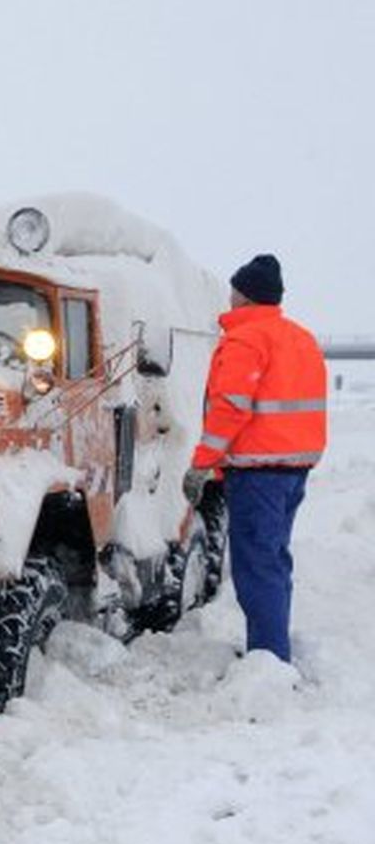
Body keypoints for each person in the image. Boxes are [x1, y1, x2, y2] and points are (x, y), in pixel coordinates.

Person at [183, 253, 327, 662]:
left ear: (243, 296)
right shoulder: (300, 338)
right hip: (293, 469)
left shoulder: (246, 339)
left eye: (233, 291)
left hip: (258, 471)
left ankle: (269, 659)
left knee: (257, 567)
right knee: (274, 562)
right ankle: (271, 649)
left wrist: (202, 461)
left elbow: (230, 406)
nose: (228, 298)